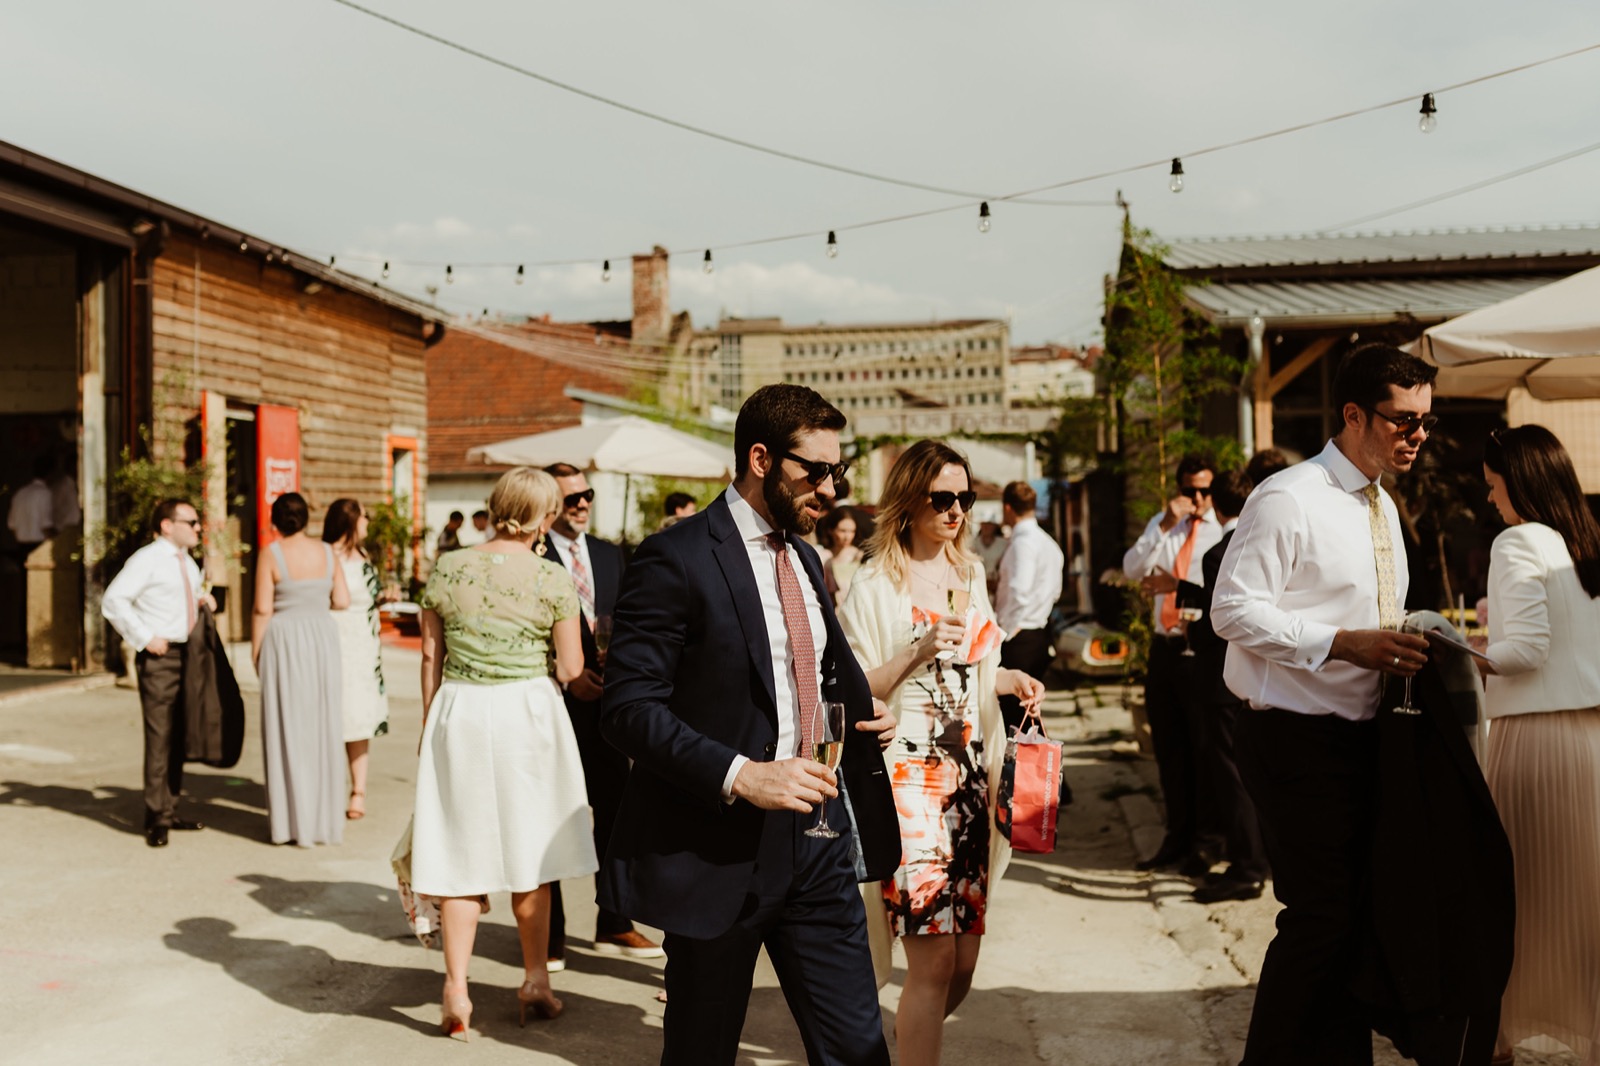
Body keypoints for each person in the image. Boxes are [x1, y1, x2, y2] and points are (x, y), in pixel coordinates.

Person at [598, 383, 900, 1066]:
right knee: (702, 1051)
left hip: (818, 844)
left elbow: (811, 679)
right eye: (814, 471)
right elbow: (627, 708)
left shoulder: (808, 560)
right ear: (761, 459)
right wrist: (741, 775)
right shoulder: (673, 559)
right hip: (716, 851)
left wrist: (855, 719)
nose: (830, 488)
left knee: (858, 1048)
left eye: (838, 471)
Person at [1211, 343, 1436, 1064]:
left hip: (1364, 735)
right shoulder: (1288, 496)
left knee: (1355, 917)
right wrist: (1347, 644)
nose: (1417, 437)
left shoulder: (1382, 502)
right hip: (1291, 735)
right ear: (1353, 415)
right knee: (1319, 917)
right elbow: (1232, 612)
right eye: (1403, 421)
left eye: (1426, 422)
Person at [837, 439, 1043, 1065]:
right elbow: (852, 689)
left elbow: (982, 667)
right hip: (907, 782)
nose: (957, 511)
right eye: (942, 498)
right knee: (934, 960)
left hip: (969, 779)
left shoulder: (970, 572)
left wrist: (1011, 681)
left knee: (964, 965)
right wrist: (917, 651)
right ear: (909, 499)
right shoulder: (872, 583)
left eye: (965, 496)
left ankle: (905, 1038)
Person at [411, 467, 594, 1038]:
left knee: (461, 853)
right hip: (527, 715)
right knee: (529, 852)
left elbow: (428, 657)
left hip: (460, 710)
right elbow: (570, 669)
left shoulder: (447, 566)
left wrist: (428, 727)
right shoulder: (551, 578)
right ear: (545, 518)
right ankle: (536, 979)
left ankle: (456, 990)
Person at [1479, 425, 1600, 1065]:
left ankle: (1499, 1037)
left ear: (1517, 480)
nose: (1489, 497)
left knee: (1516, 906)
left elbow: (1524, 652)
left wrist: (1458, 649)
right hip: (1589, 741)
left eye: (1493, 483)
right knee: (1585, 909)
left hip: (1536, 745)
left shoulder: (1518, 539)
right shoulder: (1582, 540)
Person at [540, 461, 662, 967]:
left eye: (587, 494)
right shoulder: (532, 552)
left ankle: (613, 921)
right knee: (546, 819)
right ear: (550, 505)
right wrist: (562, 669)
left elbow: (631, 618)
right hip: (550, 705)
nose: (583, 503)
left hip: (608, 705)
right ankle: (549, 936)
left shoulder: (611, 555)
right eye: (571, 498)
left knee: (614, 814)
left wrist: (621, 663)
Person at [1122, 456, 1223, 874]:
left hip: (1198, 650)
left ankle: (1208, 842)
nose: (1195, 499)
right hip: (1164, 650)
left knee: (1204, 752)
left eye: (1203, 490)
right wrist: (1163, 523)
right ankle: (1176, 836)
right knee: (1169, 750)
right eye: (1188, 490)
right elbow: (1132, 568)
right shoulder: (1167, 526)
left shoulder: (1223, 530)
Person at [1173, 470, 1269, 903]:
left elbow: (1222, 619)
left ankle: (1247, 866)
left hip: (1221, 676)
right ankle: (1252, 859)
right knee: (1248, 774)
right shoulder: (1264, 542)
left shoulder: (1218, 552)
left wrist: (1193, 631)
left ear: (1217, 504)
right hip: (1263, 674)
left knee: (1230, 777)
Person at [101, 498, 215, 847]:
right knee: (159, 736)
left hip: (189, 655)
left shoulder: (187, 563)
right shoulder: (147, 559)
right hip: (161, 659)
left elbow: (181, 597)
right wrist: (145, 637)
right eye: (191, 522)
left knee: (180, 732)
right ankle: (156, 816)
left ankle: (171, 806)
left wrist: (200, 602)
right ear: (168, 525)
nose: (198, 528)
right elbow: (113, 601)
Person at [253, 492, 349, 848]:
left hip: (285, 639)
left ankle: (290, 825)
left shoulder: (271, 554)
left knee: (287, 727)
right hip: (321, 639)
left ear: (275, 521)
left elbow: (263, 609)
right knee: (322, 726)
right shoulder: (327, 552)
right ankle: (323, 823)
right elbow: (341, 600)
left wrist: (256, 652)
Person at [322, 499, 390, 821]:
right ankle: (327, 787)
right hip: (336, 639)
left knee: (360, 716)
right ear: (350, 520)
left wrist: (384, 597)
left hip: (364, 644)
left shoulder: (363, 555)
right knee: (334, 713)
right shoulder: (325, 555)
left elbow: (367, 595)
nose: (367, 522)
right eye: (365, 516)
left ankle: (358, 790)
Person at [995, 481, 1064, 732]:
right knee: (1027, 716)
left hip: (1020, 635)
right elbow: (1055, 591)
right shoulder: (1050, 544)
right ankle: (1045, 770)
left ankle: (1038, 771)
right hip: (1039, 632)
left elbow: (1019, 592)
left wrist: (1005, 630)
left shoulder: (1023, 544)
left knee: (1016, 720)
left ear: (1008, 508)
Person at [817, 505, 865, 606]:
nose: (847, 536)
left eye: (852, 531)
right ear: (831, 530)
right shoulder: (822, 555)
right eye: (842, 531)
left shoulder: (859, 556)